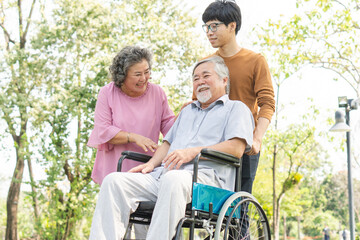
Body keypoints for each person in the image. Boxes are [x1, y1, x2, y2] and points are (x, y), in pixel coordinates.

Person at [89, 56, 255, 240]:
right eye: (196, 78)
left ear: (224, 80)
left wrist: (193, 152)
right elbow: (167, 143)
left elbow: (236, 148)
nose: (200, 82)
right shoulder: (187, 112)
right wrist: (151, 165)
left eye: (206, 76)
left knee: (174, 179)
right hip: (165, 175)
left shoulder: (236, 109)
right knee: (114, 181)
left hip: (206, 181)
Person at [87, 46, 175, 238]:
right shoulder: (107, 93)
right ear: (122, 76)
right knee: (118, 227)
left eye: (147, 72)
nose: (144, 78)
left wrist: (186, 119)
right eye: (137, 74)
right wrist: (133, 137)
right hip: (116, 165)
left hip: (146, 169)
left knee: (146, 225)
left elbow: (169, 124)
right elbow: (102, 129)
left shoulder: (157, 93)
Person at [197, 0, 276, 194]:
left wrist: (256, 139)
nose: (209, 32)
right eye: (206, 27)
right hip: (211, 142)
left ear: (232, 26)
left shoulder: (255, 60)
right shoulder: (206, 64)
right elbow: (198, 102)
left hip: (243, 143)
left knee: (238, 210)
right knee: (206, 206)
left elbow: (267, 103)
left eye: (214, 26)